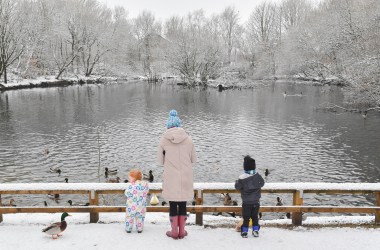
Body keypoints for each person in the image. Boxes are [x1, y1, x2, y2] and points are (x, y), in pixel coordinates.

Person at [157, 109, 197, 240]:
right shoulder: (189, 139)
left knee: (173, 203)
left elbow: (160, 161)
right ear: (179, 125)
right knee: (183, 203)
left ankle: (174, 232)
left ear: (168, 126)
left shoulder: (163, 140)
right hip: (185, 175)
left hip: (171, 176)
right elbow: (193, 159)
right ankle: (182, 231)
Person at [235, 155, 265, 238]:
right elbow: (262, 183)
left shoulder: (242, 178)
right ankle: (255, 230)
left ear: (245, 167)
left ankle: (244, 232)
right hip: (256, 201)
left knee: (246, 217)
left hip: (246, 202)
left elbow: (237, 187)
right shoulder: (257, 176)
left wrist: (237, 181)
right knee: (255, 217)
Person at [124, 169, 149, 233]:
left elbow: (127, 193)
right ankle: (140, 229)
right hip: (141, 205)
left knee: (130, 217)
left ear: (134, 178)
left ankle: (128, 228)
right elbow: (146, 192)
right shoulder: (145, 185)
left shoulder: (131, 186)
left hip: (131, 205)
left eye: (130, 178)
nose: (129, 180)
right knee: (140, 217)